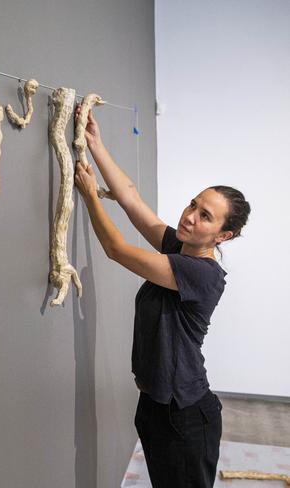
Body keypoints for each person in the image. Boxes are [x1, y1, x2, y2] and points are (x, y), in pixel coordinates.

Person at [73, 107, 250, 487]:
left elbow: (117, 249)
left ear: (223, 236)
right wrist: (96, 145)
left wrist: (90, 196)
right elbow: (134, 202)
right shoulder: (180, 248)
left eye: (205, 216)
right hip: (155, 406)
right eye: (193, 204)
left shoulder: (200, 273)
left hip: (185, 416)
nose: (190, 217)